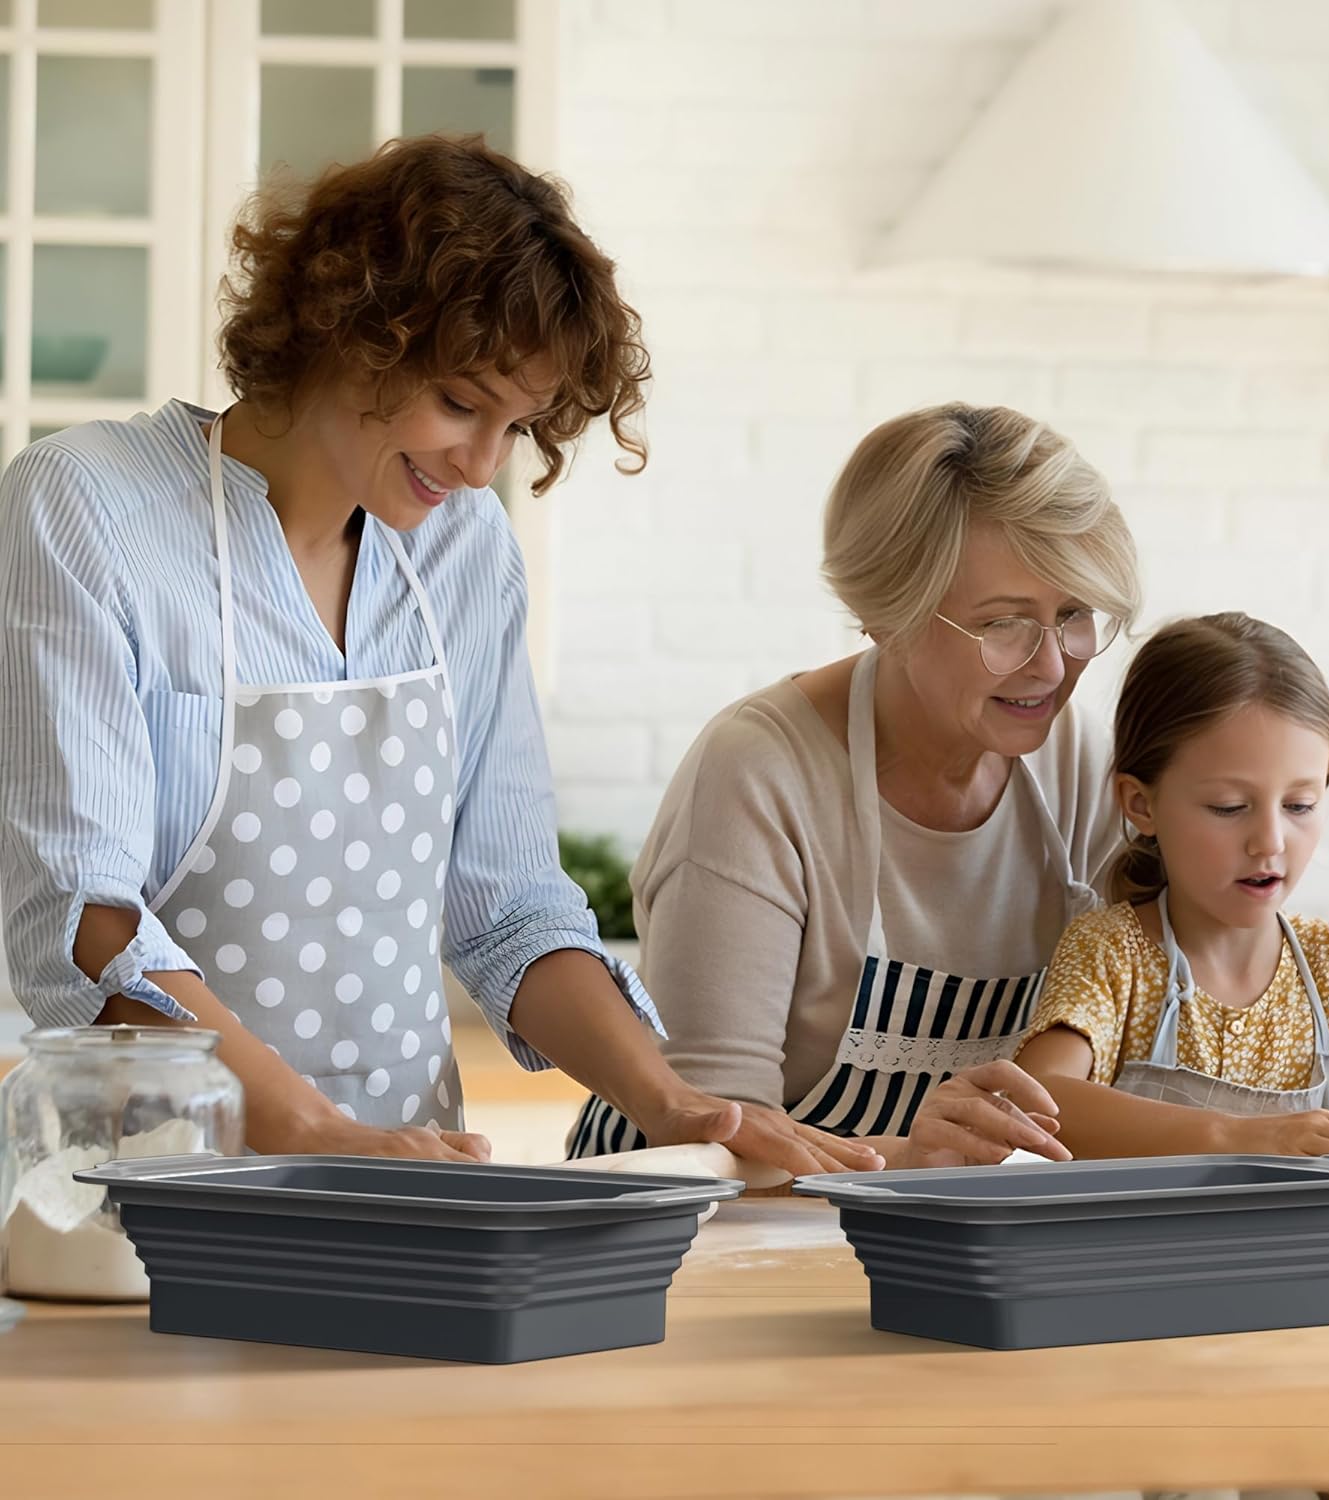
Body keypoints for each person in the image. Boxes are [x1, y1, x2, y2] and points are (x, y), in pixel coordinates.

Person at [0, 134, 877, 1178]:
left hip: (412, 1183)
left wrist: (674, 1103)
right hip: (143, 1186)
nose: (480, 464)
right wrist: (311, 1131)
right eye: (461, 404)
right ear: (345, 328)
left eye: (519, 426)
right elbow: (84, 917)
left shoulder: (462, 551)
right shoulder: (90, 510)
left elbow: (509, 909)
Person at [569, 403, 1142, 1169]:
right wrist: (911, 1160)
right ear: (885, 616)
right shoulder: (758, 775)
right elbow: (714, 1132)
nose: (1050, 665)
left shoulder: (1077, 762)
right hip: (699, 1213)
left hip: (931, 1210)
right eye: (1003, 624)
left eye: (1074, 614)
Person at [1014, 612, 1329, 1192]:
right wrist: (1246, 1138)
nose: (1270, 842)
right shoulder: (1113, 956)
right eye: (1228, 806)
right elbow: (1040, 1101)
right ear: (1141, 804)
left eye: (1299, 806)